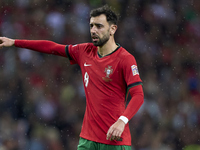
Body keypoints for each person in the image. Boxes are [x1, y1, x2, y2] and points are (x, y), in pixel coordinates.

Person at [0, 5, 144, 150]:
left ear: (113, 29)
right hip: (88, 139)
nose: (93, 30)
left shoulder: (125, 59)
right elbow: (52, 47)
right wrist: (15, 42)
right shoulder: (84, 51)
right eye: (91, 26)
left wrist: (122, 121)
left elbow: (138, 95)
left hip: (115, 140)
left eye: (99, 26)